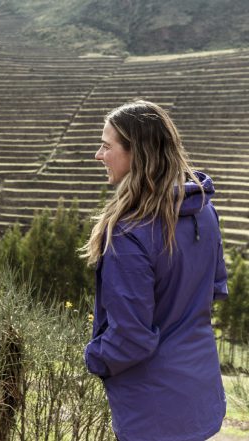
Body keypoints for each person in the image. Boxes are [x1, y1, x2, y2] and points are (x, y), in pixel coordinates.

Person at [82, 100, 228, 441]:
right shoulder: (204, 213)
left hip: (152, 411)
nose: (98, 155)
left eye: (106, 146)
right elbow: (215, 289)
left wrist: (94, 358)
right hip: (198, 395)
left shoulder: (128, 234)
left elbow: (130, 339)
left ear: (138, 153)